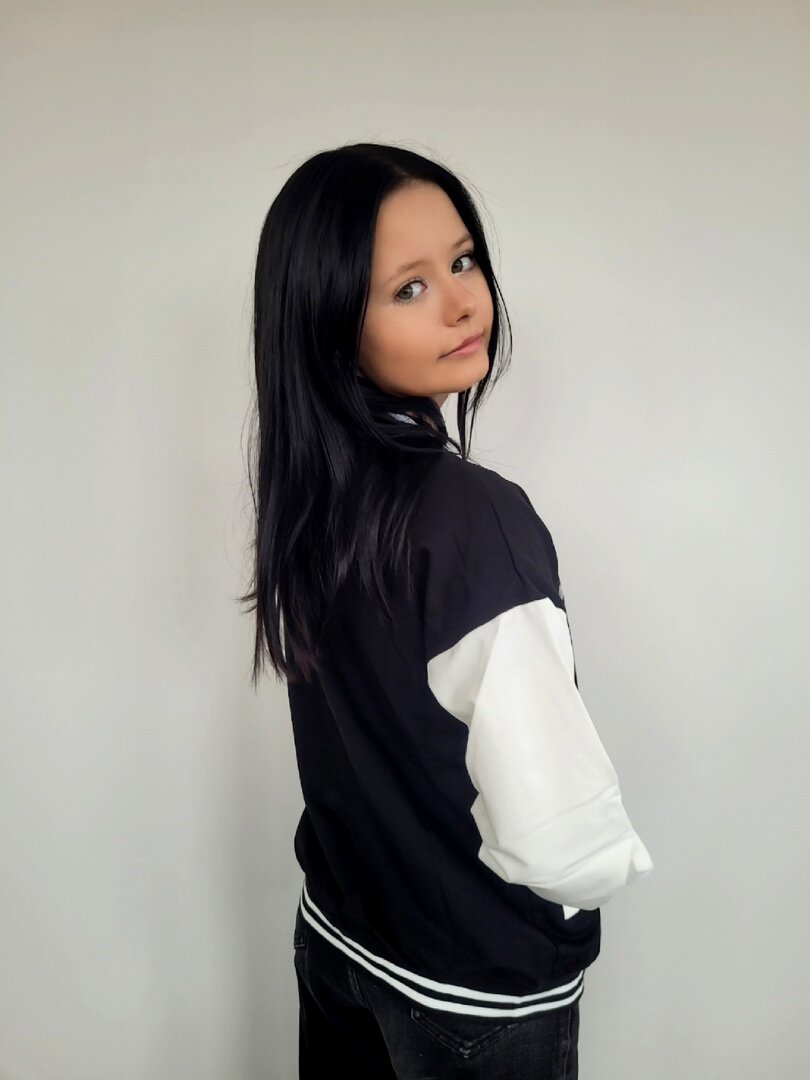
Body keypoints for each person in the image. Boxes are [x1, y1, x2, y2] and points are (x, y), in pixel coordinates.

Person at [239, 142, 654, 1079]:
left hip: (341, 935)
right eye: (410, 287)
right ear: (329, 322)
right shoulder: (472, 517)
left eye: (463, 261)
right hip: (467, 985)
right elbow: (562, 833)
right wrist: (574, 908)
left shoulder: (310, 497)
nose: (465, 303)